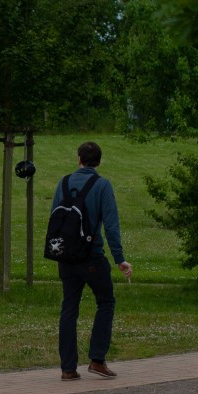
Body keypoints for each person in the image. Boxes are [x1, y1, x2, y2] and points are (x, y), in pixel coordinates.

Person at [52, 141, 132, 380]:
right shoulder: (102, 185)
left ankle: (68, 368)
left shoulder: (63, 183)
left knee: (69, 308)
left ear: (79, 159)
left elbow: (54, 219)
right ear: (98, 162)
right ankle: (97, 359)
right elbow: (111, 224)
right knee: (106, 302)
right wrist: (120, 258)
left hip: (66, 256)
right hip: (92, 256)